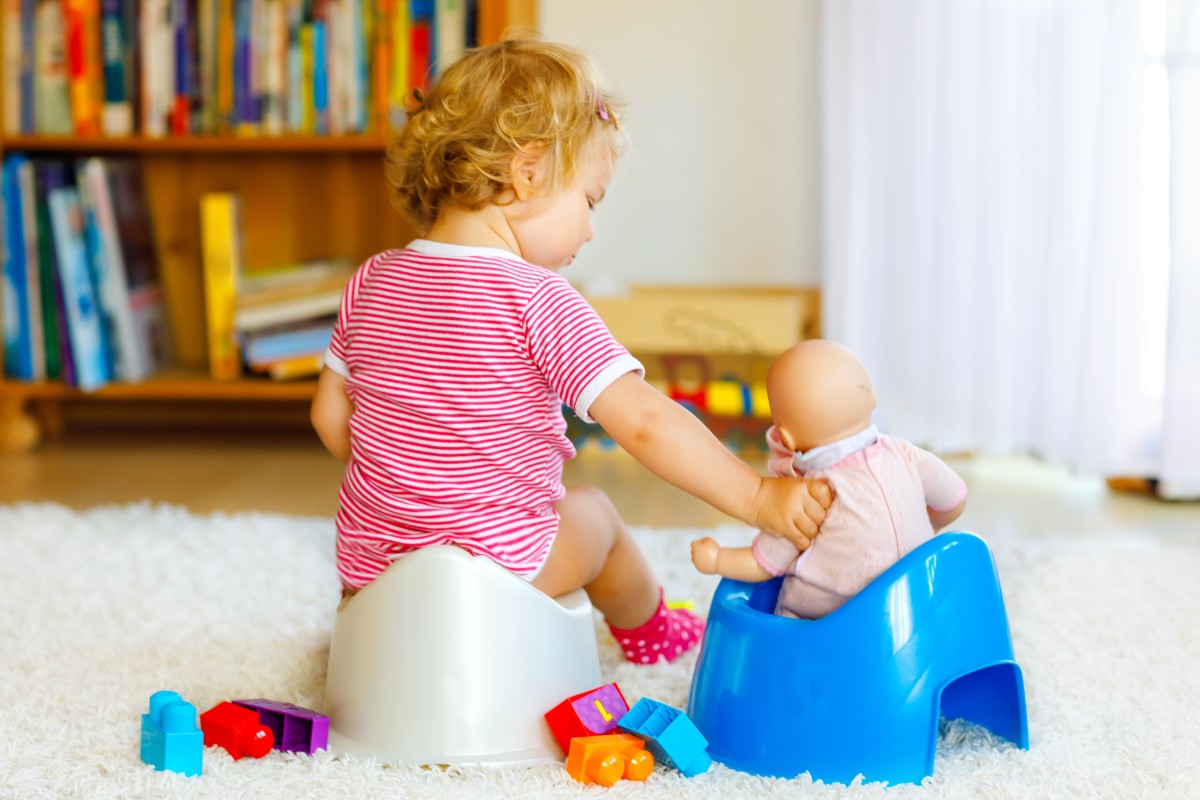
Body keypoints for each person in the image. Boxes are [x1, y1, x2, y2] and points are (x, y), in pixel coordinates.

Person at [309, 38, 832, 665]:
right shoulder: (538, 297)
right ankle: (651, 633)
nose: (589, 229)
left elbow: (331, 419)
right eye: (588, 200)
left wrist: (417, 475)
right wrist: (755, 496)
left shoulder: (373, 279)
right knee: (596, 514)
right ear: (526, 173)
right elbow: (643, 421)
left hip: (371, 576)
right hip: (501, 574)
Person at [690, 340, 967, 619]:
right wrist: (924, 527)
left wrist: (716, 559)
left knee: (783, 619)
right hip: (914, 603)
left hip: (831, 623)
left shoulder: (811, 494)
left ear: (785, 438)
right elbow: (954, 500)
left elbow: (764, 564)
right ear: (871, 398)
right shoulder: (907, 454)